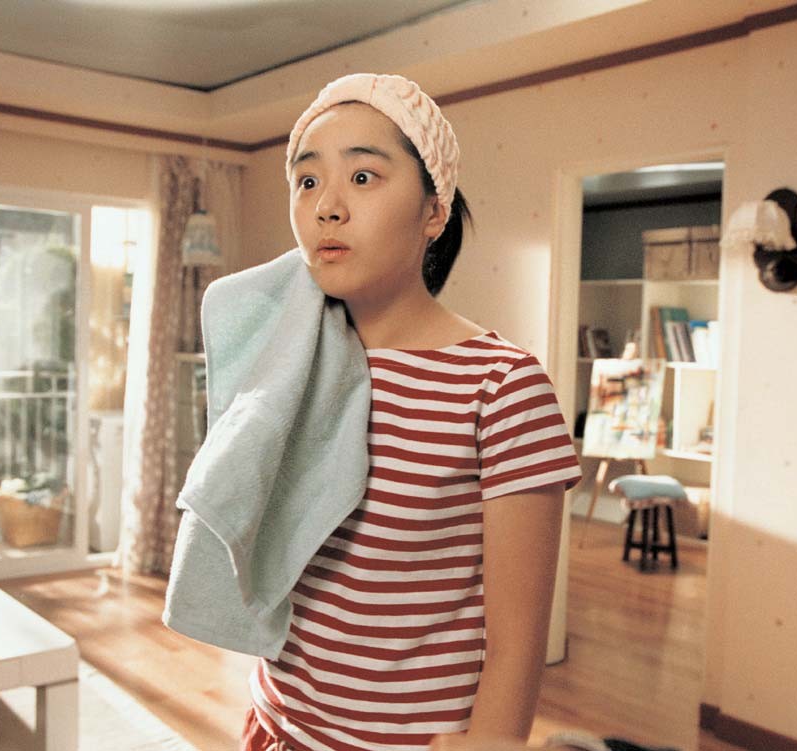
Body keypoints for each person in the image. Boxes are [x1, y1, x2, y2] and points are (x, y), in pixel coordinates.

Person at [238, 73, 584, 751]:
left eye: (362, 177)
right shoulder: (292, 363)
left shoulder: (501, 388)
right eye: (307, 181)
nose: (326, 206)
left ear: (433, 212)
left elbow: (517, 645)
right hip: (273, 723)